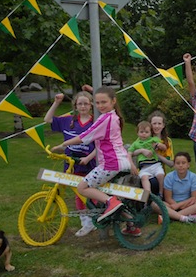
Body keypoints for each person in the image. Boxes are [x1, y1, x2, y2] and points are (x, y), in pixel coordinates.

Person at [51, 87, 138, 231]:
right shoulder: (114, 116)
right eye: (97, 103)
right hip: (121, 161)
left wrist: (63, 144)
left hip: (110, 163)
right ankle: (131, 224)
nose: (100, 106)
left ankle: (111, 203)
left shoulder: (105, 119)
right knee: (104, 192)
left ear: (113, 101)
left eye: (104, 102)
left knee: (82, 187)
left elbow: (85, 136)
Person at [44, 91, 97, 237]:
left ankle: (95, 218)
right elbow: (47, 119)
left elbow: (100, 144)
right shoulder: (68, 120)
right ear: (75, 105)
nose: (83, 106)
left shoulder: (95, 121)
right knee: (78, 192)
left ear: (91, 104)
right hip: (72, 163)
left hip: (89, 162)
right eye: (80, 103)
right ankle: (85, 222)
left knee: (91, 191)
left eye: (86, 103)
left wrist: (89, 158)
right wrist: (56, 103)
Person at [162, 152, 196, 224]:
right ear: (174, 165)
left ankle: (171, 216)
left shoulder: (193, 177)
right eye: (178, 163)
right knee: (155, 204)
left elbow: (194, 198)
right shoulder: (169, 177)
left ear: (188, 165)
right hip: (172, 205)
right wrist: (175, 205)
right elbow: (168, 198)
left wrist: (179, 205)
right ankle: (185, 217)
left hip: (188, 205)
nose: (181, 165)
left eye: (183, 163)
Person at [128, 121, 167, 197]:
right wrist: (132, 165)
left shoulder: (153, 139)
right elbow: (129, 153)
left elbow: (164, 148)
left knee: (161, 175)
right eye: (141, 132)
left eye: (146, 132)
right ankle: (148, 196)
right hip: (144, 167)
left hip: (155, 165)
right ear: (137, 133)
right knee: (144, 178)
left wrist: (159, 145)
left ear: (150, 133)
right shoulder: (136, 143)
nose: (144, 134)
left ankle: (161, 193)